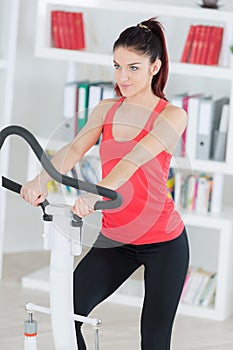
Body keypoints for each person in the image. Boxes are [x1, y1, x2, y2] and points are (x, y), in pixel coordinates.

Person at [21, 17, 190, 350]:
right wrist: (39, 180)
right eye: (117, 66)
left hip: (164, 241)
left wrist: (95, 195)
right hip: (117, 238)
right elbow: (72, 150)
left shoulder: (172, 115)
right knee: (67, 314)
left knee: (154, 341)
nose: (122, 77)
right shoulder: (105, 110)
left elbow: (133, 160)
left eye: (133, 67)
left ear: (154, 67)